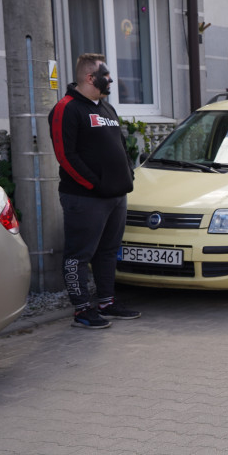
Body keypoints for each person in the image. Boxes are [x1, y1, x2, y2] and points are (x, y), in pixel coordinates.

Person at [49, 53, 140, 329]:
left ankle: (106, 302)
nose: (111, 79)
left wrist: (127, 174)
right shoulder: (66, 108)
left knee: (108, 251)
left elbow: (120, 146)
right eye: (106, 75)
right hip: (85, 198)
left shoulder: (106, 108)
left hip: (115, 196)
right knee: (79, 255)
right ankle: (81, 311)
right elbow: (65, 155)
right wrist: (95, 184)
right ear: (90, 78)